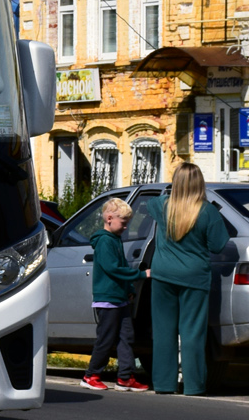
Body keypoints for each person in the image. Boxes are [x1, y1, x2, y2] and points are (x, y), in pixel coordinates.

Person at [146, 163, 231, 395]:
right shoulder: (207, 211)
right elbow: (218, 244)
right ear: (200, 183)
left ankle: (164, 384)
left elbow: (151, 201)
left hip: (163, 274)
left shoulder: (161, 206)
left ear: (176, 183)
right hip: (194, 276)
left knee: (164, 331)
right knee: (192, 332)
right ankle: (194, 386)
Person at [81, 197, 152, 392]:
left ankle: (125, 377)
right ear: (110, 218)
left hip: (119, 298)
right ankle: (91, 375)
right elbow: (113, 269)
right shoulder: (104, 241)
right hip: (107, 300)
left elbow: (119, 267)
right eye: (123, 222)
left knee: (126, 338)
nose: (125, 227)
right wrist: (139, 275)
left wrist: (128, 290)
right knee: (106, 338)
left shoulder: (114, 239)